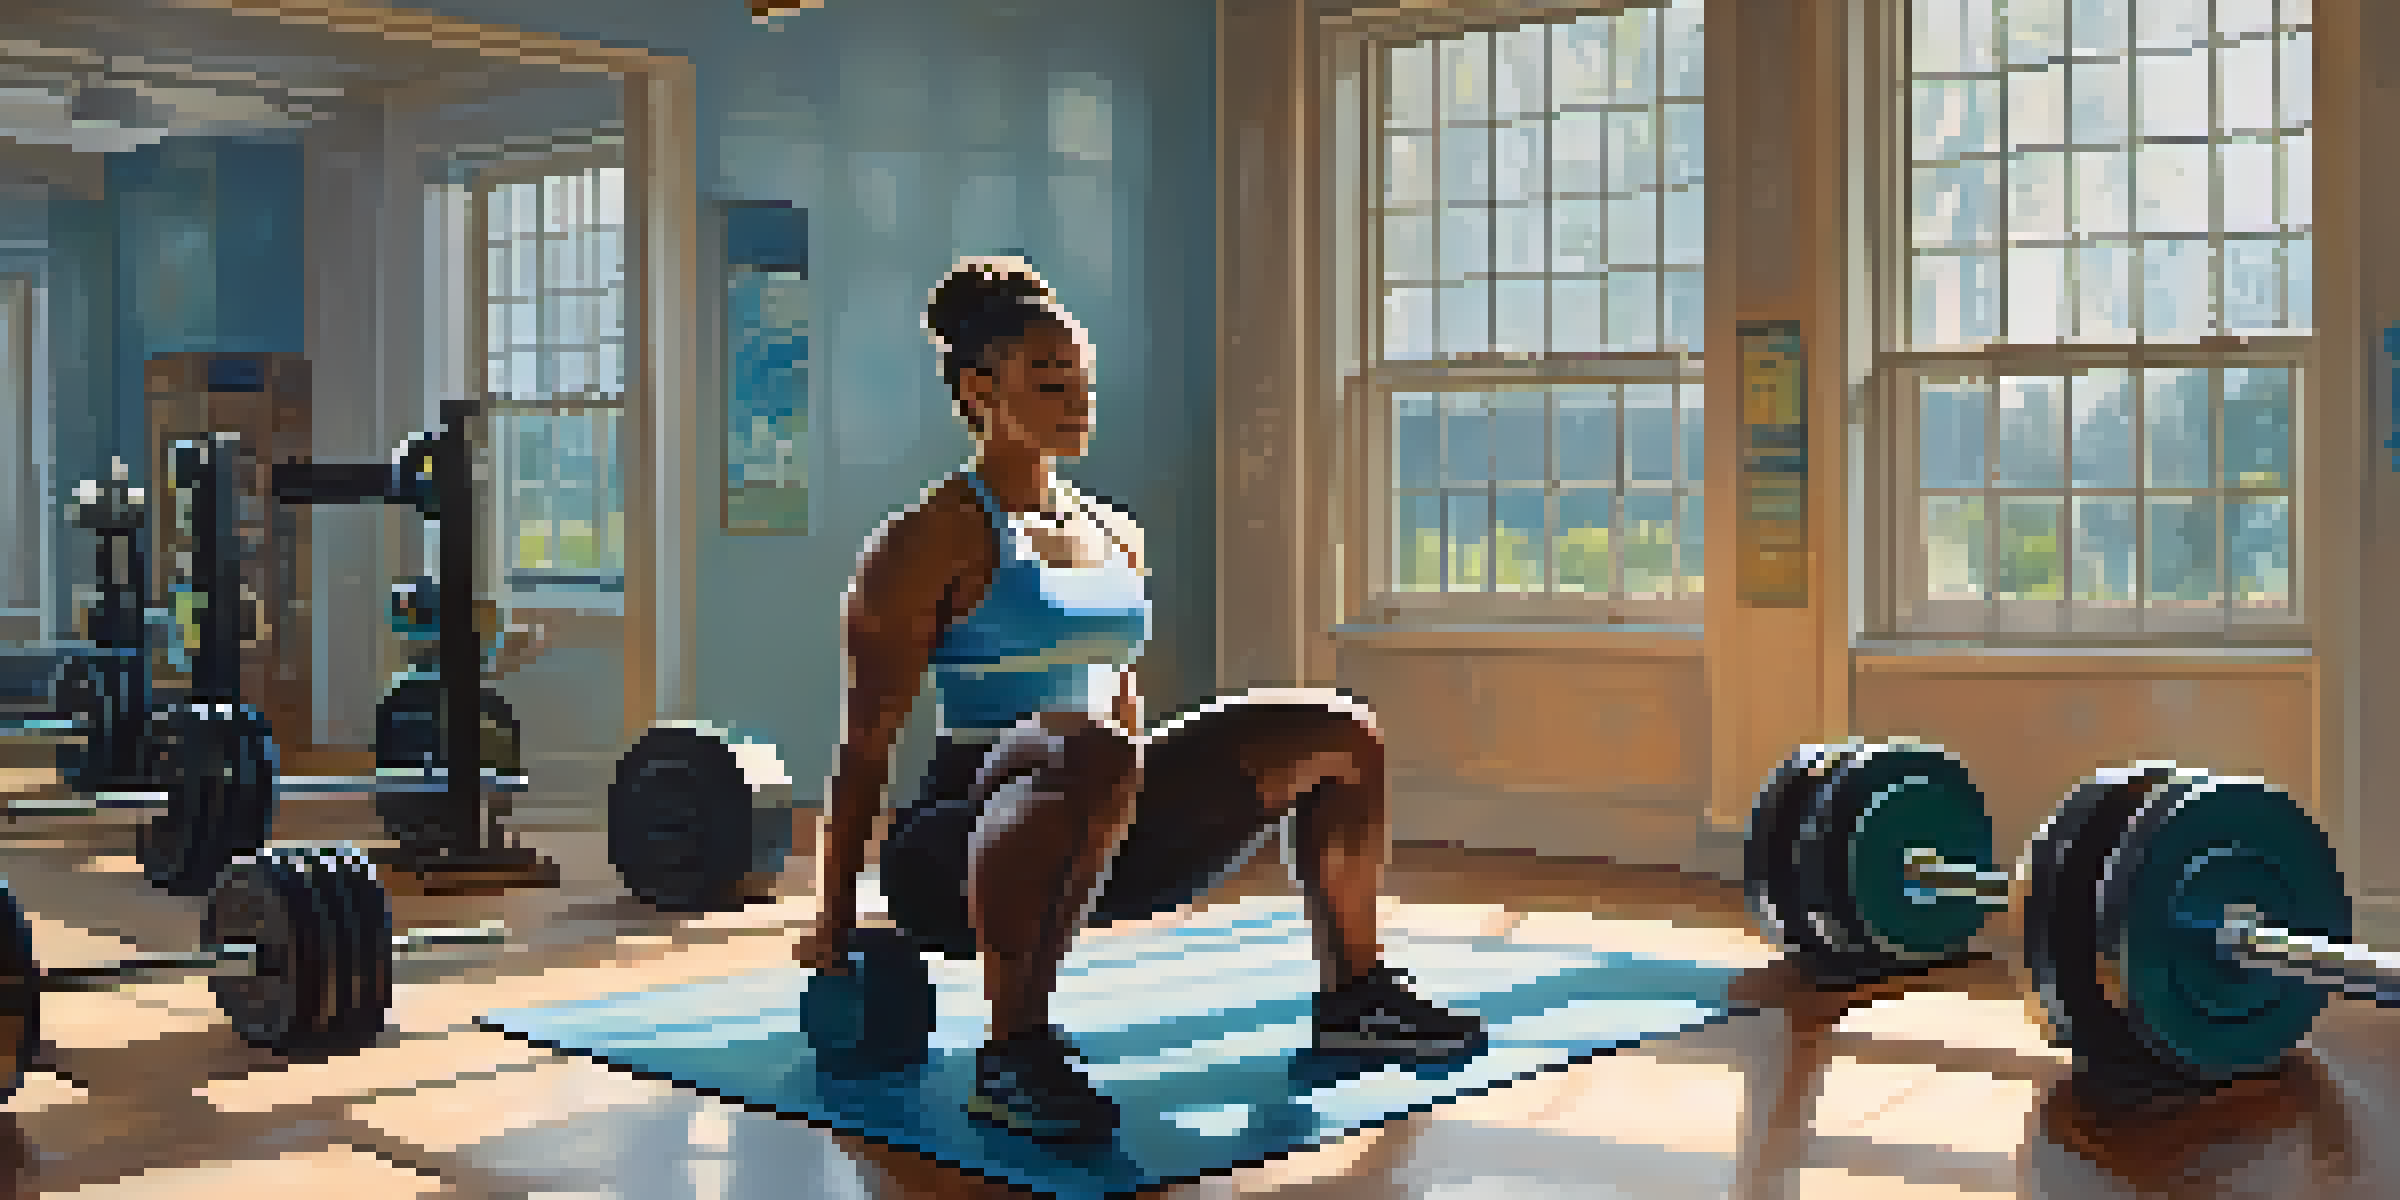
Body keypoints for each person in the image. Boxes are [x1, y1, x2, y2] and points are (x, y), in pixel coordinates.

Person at [794, 256, 1482, 1144]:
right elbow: (864, 745)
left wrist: (1129, 805)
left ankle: (1353, 994)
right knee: (1088, 747)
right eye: (1048, 379)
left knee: (1339, 734)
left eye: (1081, 377)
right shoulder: (927, 541)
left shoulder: (1113, 531)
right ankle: (1012, 1054)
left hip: (1096, 810)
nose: (1076, 397)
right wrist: (835, 922)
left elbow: (1121, 704)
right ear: (978, 387)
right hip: (957, 846)